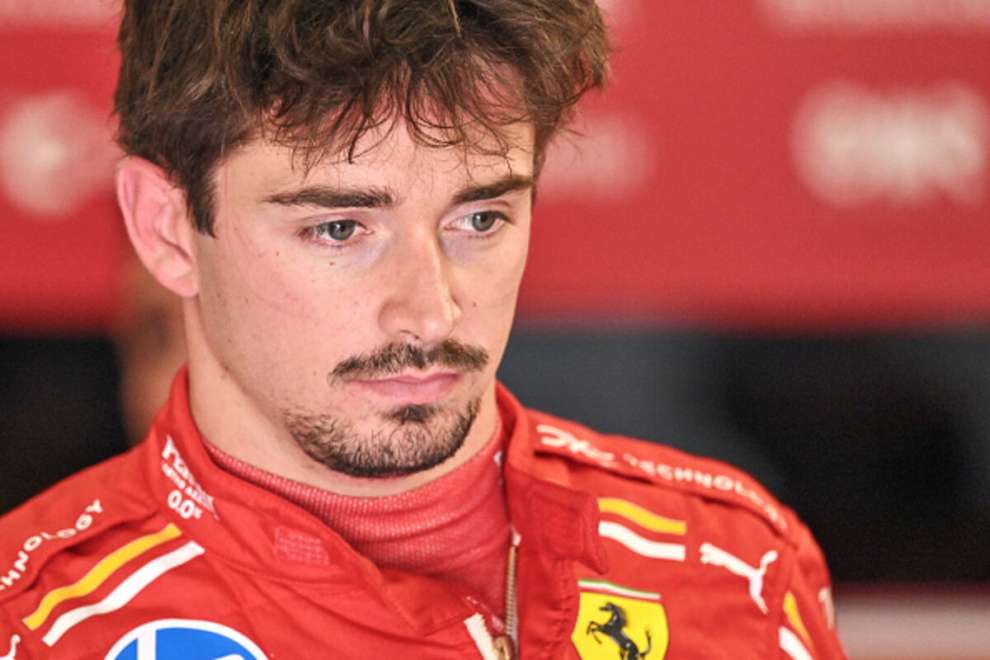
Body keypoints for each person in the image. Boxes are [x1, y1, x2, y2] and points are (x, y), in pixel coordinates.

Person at [0, 1, 846, 657]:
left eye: (478, 219)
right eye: (340, 229)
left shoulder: (732, 570)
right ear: (166, 229)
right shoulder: (33, 626)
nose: (431, 312)